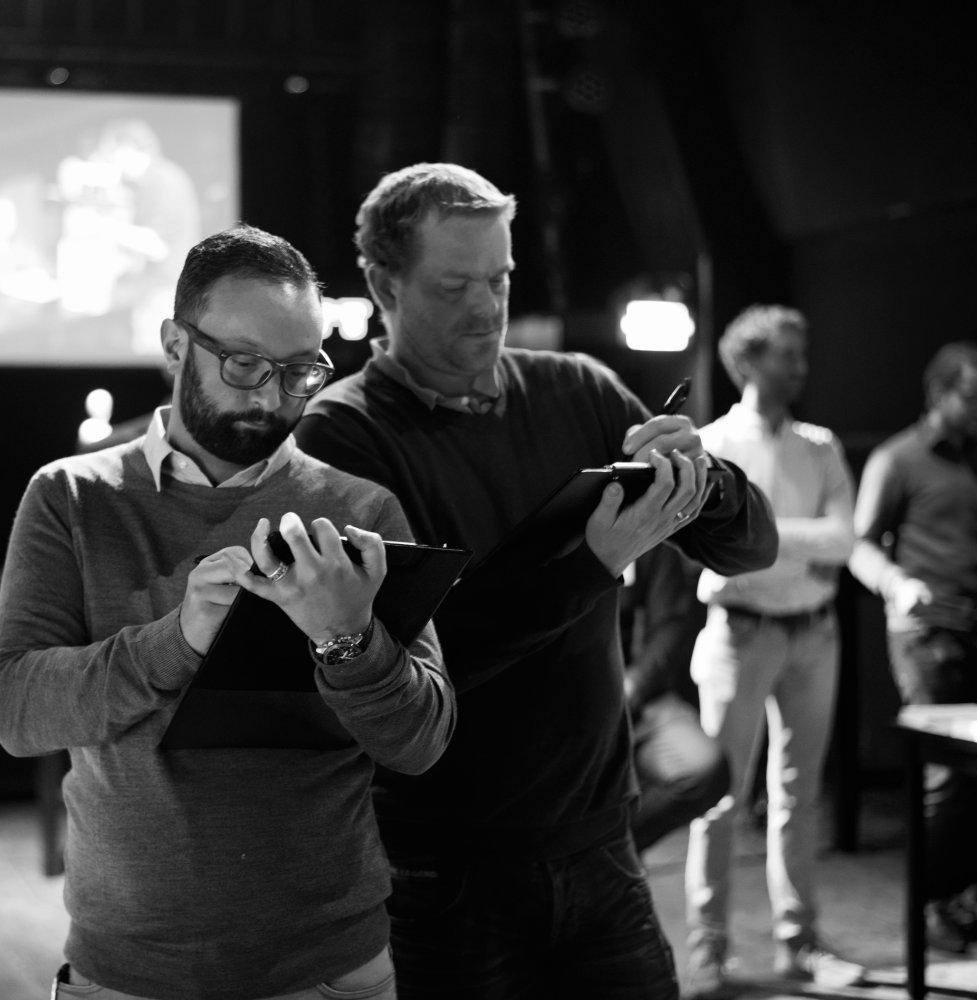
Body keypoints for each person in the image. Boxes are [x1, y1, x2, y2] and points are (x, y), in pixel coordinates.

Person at [294, 161, 778, 998]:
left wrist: (710, 482)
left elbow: (751, 549)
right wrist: (591, 565)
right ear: (383, 285)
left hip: (599, 846)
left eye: (501, 279)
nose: (488, 308)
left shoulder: (577, 389)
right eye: (455, 286)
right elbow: (417, 659)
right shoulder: (343, 436)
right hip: (445, 870)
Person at [0, 223, 456, 999]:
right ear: (175, 345)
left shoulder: (359, 510)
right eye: (244, 364)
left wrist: (350, 638)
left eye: (301, 371)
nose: (270, 395)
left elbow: (424, 741)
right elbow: (15, 709)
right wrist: (178, 640)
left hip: (329, 969)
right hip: (127, 970)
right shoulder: (72, 498)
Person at [681, 304, 863, 996]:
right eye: (787, 354)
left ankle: (800, 945)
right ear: (748, 360)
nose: (800, 367)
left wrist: (755, 534)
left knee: (799, 797)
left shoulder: (820, 445)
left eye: (801, 353)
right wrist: (798, 540)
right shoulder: (713, 443)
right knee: (717, 799)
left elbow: (843, 541)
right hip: (739, 632)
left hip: (813, 631)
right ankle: (709, 951)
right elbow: (707, 549)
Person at [848, 340, 977, 953]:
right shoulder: (897, 458)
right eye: (973, 398)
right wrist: (898, 584)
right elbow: (859, 546)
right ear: (939, 393)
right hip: (924, 638)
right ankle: (925, 911)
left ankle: (953, 901)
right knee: (945, 776)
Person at [621, 544, 730, 853]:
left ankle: (611, 850)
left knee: (705, 769)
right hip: (568, 705)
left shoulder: (648, 540)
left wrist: (633, 686)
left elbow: (668, 626)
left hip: (636, 698)